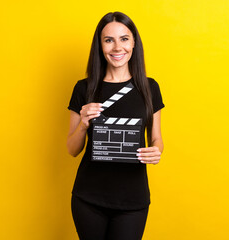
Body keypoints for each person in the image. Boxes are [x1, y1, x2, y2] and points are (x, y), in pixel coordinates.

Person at [67, 11, 164, 240]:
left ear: (133, 43)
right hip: (88, 197)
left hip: (133, 197)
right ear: (100, 46)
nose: (117, 47)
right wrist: (82, 124)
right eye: (108, 40)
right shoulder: (84, 88)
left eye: (124, 38)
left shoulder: (150, 88)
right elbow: (71, 149)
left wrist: (156, 151)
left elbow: (157, 139)